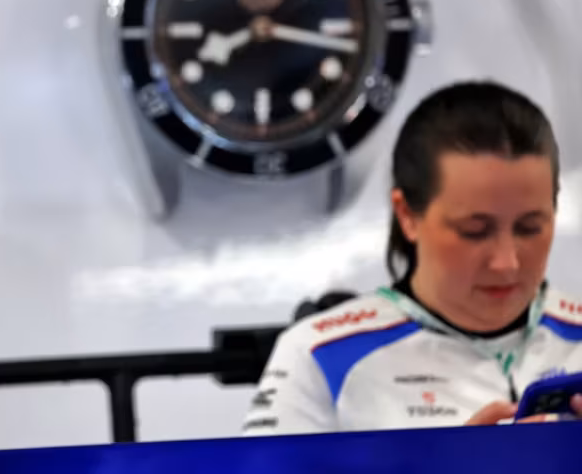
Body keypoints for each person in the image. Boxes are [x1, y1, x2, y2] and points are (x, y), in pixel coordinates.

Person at [242, 80, 582, 435]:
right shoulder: (318, 354)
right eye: (474, 231)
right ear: (407, 215)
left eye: (530, 227)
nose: (506, 262)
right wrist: (450, 462)